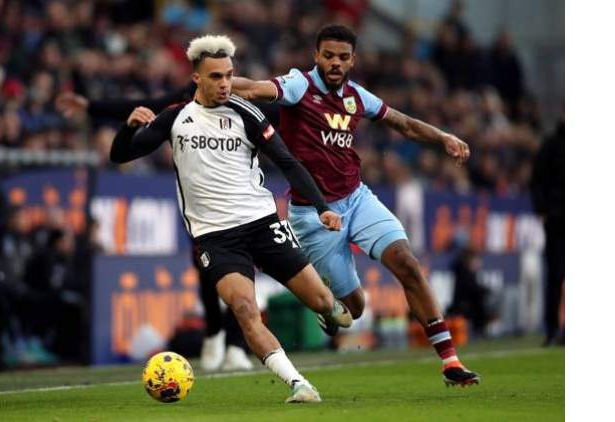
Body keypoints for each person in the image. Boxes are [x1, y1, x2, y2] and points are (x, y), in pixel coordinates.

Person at [231, 24, 479, 386]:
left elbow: (405, 124)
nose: (335, 63)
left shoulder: (357, 97)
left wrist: (443, 137)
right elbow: (256, 89)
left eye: (342, 57)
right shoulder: (300, 85)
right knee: (355, 310)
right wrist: (219, 85)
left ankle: (450, 362)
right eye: (328, 55)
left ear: (353, 60)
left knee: (408, 263)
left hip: (357, 198)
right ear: (316, 56)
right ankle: (328, 310)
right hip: (313, 214)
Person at [110, 34, 352, 403]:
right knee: (243, 308)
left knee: (323, 302)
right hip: (215, 237)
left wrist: (323, 207)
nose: (224, 84)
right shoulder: (176, 118)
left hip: (261, 223)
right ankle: (298, 384)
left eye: (228, 75)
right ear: (196, 78)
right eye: (215, 77)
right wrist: (128, 127)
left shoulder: (247, 113)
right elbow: (120, 156)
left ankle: (327, 309)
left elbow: (288, 162)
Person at [56, 84, 257, 372]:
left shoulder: (239, 99)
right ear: (197, 74)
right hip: (200, 203)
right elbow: (144, 104)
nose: (220, 80)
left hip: (240, 197)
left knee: (243, 270)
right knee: (208, 272)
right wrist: (91, 106)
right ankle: (214, 335)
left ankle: (237, 345)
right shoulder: (187, 98)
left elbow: (278, 115)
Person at [530, 120, 565, 346]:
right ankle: (552, 329)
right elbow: (537, 180)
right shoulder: (553, 144)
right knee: (555, 274)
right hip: (558, 218)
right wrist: (542, 209)